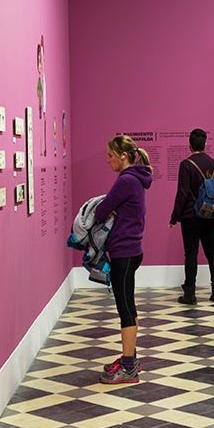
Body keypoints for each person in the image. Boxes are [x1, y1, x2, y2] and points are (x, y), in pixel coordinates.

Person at [94, 134, 153, 385]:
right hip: (131, 250)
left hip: (124, 252)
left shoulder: (126, 180)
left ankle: (128, 368)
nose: (107, 160)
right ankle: (130, 357)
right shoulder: (135, 178)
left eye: (110, 155)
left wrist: (107, 208)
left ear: (123, 156)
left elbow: (100, 211)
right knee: (129, 305)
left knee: (125, 309)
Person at [170, 128, 214, 305]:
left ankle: (190, 295)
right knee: (212, 253)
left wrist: (174, 217)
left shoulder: (186, 164)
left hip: (190, 216)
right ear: (205, 144)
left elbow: (182, 193)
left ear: (190, 145)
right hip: (211, 214)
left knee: (191, 254)